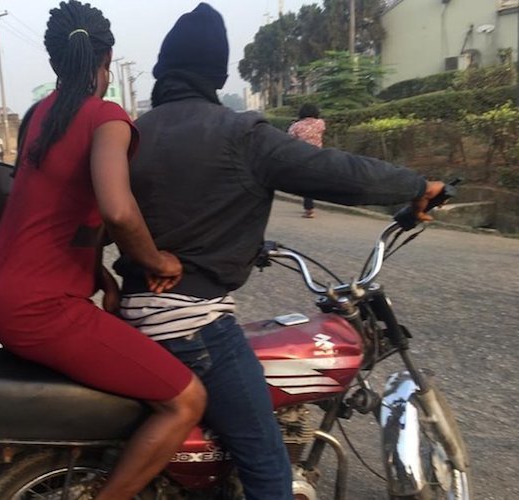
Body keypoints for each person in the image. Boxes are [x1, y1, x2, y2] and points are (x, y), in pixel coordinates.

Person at [113, 4, 445, 500]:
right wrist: (416, 185)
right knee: (266, 461)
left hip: (134, 313)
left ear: (162, 69)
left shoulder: (136, 133)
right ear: (219, 73)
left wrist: (246, 244)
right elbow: (336, 173)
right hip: (193, 324)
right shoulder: (240, 135)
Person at [0, 2, 206, 498]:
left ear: (56, 60)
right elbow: (118, 210)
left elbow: (49, 210)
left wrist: (97, 274)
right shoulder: (107, 117)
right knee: (186, 400)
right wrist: (156, 260)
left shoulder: (38, 116)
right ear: (108, 59)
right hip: (40, 309)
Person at [288, 103, 326, 218]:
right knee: (313, 179)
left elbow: (290, 138)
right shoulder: (321, 123)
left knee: (306, 181)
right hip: (318, 154)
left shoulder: (296, 126)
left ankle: (309, 209)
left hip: (302, 156)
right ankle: (311, 204)